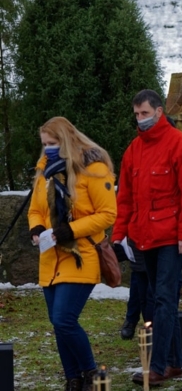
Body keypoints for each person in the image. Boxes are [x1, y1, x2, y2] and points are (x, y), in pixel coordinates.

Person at [112, 89, 182, 387]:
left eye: (145, 114)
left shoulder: (180, 143)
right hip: (143, 235)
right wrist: (119, 234)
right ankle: (175, 362)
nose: (141, 119)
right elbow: (125, 197)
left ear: (159, 112)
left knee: (163, 298)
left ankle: (158, 366)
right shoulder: (133, 149)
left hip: (170, 236)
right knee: (161, 298)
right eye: (137, 114)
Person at [27, 117, 117, 391]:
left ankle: (91, 373)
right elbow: (35, 210)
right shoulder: (45, 171)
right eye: (44, 144)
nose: (48, 149)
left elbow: (107, 214)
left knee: (65, 319)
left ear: (66, 140)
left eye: (52, 143)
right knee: (58, 323)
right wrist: (38, 227)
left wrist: (71, 230)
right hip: (51, 257)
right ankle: (73, 378)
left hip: (81, 254)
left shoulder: (94, 168)